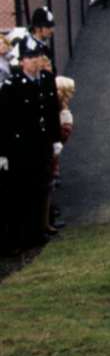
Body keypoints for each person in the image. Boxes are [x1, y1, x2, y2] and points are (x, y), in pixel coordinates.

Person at [0, 36, 60, 256]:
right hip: (21, 147)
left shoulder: (45, 79)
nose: (35, 61)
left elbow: (52, 111)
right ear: (22, 61)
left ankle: (37, 232)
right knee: (21, 193)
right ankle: (20, 238)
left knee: (40, 187)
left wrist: (55, 140)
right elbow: (4, 120)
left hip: (41, 144)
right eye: (30, 58)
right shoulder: (12, 85)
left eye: (37, 57)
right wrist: (3, 152)